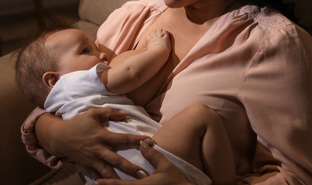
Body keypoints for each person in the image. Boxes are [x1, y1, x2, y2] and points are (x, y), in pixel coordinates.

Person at [21, 0, 312, 184]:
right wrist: (58, 136)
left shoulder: (272, 44)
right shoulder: (132, 17)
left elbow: (297, 179)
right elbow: (63, 92)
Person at [15, 25, 235, 185]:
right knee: (202, 116)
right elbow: (131, 74)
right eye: (85, 51)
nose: (102, 53)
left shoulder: (58, 110)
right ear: (53, 80)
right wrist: (158, 49)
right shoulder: (73, 82)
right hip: (150, 155)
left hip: (108, 176)